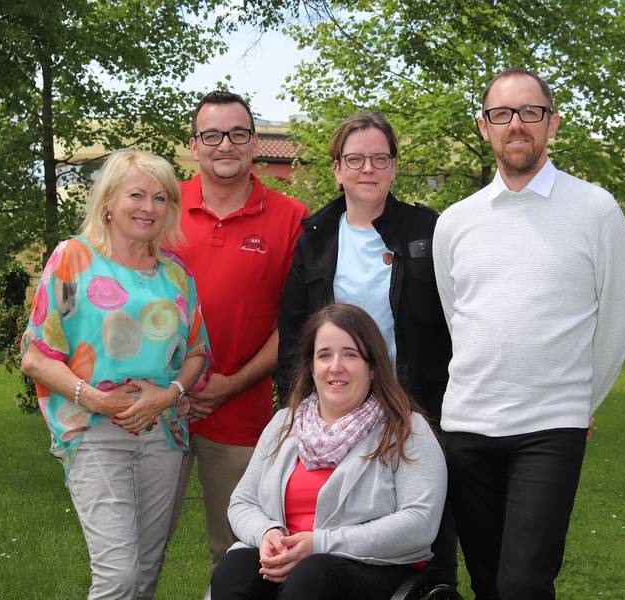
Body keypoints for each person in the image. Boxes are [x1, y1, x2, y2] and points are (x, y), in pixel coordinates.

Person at [432, 67, 625, 599]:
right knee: (485, 579)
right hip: (468, 425)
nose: (516, 124)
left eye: (531, 112)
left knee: (524, 582)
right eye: (502, 114)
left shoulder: (595, 209)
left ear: (553, 123)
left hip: (550, 427)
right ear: (484, 127)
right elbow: (458, 316)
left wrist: (581, 401)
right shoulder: (455, 222)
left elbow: (619, 319)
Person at [20, 150, 211, 600]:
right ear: (109, 201)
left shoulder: (176, 275)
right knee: (118, 577)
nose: (148, 207)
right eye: (137, 195)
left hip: (161, 434)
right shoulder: (73, 260)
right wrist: (98, 400)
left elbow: (199, 353)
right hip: (95, 431)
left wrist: (170, 394)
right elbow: (36, 355)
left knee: (145, 573)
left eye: (160, 198)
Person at [276, 111, 456, 584]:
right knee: (344, 516)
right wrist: (291, 404)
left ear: (395, 166)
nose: (368, 169)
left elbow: (459, 315)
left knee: (427, 526)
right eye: (355, 159)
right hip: (339, 404)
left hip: (418, 401)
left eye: (380, 158)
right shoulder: (315, 236)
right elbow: (295, 329)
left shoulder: (427, 231)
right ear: (337, 168)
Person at [211, 303, 447, 600]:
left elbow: (419, 523)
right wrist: (269, 535)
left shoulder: (406, 429)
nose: (336, 366)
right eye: (324, 355)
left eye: (350, 354)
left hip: (372, 566)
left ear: (373, 367)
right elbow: (243, 502)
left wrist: (320, 544)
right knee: (234, 569)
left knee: (312, 576)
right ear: (311, 367)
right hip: (291, 561)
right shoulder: (285, 424)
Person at [168, 90, 310, 568]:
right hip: (153, 410)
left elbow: (294, 324)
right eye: (211, 134)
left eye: (237, 133)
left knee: (238, 557)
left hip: (239, 412)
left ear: (253, 143)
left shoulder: (291, 218)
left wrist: (231, 384)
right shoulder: (160, 206)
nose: (224, 144)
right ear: (194, 144)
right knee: (135, 555)